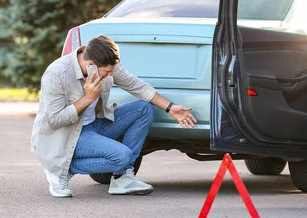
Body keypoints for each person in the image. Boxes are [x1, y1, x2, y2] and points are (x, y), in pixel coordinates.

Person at [31, 35, 197, 198]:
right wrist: (87, 98)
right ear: (91, 65)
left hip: (95, 126)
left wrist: (171, 108)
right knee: (123, 156)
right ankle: (61, 169)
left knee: (144, 108)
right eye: (107, 73)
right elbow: (55, 120)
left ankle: (122, 178)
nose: (111, 75)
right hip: (66, 136)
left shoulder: (104, 65)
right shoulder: (57, 74)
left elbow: (136, 86)